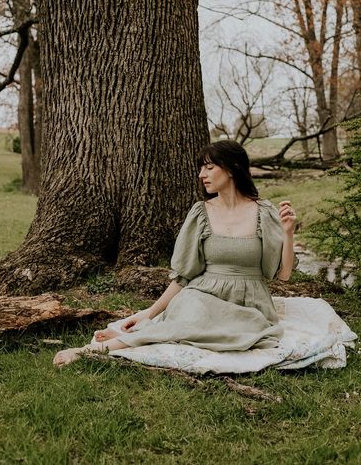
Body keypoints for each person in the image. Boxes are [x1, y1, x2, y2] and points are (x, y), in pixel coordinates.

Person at [53, 140, 297, 367]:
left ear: (232, 169)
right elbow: (183, 276)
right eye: (201, 168)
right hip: (201, 295)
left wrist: (288, 233)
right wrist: (148, 312)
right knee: (189, 321)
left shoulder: (264, 212)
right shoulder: (201, 212)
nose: (202, 175)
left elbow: (283, 275)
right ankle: (92, 349)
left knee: (225, 330)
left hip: (249, 303)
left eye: (209, 168)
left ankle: (141, 333)